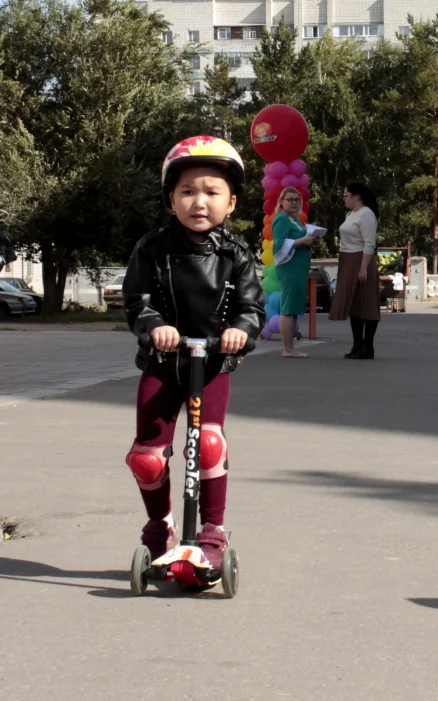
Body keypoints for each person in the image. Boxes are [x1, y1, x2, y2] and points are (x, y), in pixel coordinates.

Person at [121, 135, 266, 568]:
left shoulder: (236, 253)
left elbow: (251, 305)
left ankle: (212, 531)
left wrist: (240, 330)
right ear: (171, 199)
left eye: (210, 192)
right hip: (163, 363)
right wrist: (154, 327)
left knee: (207, 444)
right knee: (147, 457)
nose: (198, 201)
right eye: (187, 191)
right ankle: (159, 525)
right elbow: (136, 302)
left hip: (213, 364)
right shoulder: (152, 248)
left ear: (232, 203)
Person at [329, 182, 380, 359]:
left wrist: (363, 268)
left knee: (367, 302)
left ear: (356, 196)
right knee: (354, 302)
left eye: (346, 195)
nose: (344, 198)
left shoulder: (366, 214)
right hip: (348, 259)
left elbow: (369, 243)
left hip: (361, 260)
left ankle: (368, 345)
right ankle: (357, 343)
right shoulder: (351, 214)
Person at [272, 186, 320, 358]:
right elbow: (279, 244)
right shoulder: (282, 219)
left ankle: (290, 347)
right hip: (289, 268)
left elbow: (297, 240)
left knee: (294, 307)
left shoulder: (295, 219)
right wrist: (301, 240)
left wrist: (310, 240)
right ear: (281, 202)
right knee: (288, 307)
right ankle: (287, 348)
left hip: (298, 268)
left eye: (297, 199)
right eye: (290, 199)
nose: (294, 202)